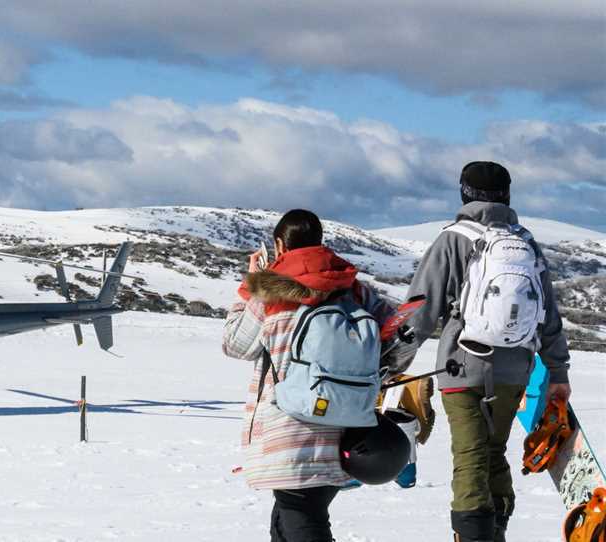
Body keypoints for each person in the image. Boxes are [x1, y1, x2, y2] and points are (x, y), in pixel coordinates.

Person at [401, 161, 571, 542]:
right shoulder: (526, 243)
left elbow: (420, 311)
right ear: (507, 195)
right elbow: (549, 315)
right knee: (494, 453)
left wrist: (389, 364)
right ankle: (496, 531)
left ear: (464, 193)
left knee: (469, 457)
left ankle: (475, 535)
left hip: (461, 367)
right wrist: (558, 372)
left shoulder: (453, 239)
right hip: (515, 371)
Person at [222, 209, 394, 542]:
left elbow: (235, 345)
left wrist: (248, 288)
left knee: (301, 515)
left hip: (292, 423)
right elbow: (395, 332)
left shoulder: (271, 288)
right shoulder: (354, 289)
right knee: (293, 514)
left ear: (278, 246)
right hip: (348, 425)